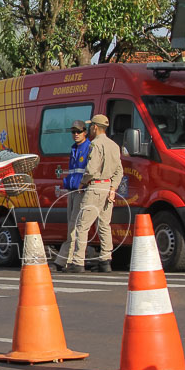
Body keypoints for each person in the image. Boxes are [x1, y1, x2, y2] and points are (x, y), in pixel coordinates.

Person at [66, 114, 124, 274]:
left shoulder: (95, 145)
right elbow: (119, 171)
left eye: (91, 126)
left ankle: (78, 262)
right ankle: (105, 261)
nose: (90, 128)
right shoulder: (114, 145)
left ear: (96, 127)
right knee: (104, 226)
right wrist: (113, 188)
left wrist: (82, 182)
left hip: (95, 187)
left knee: (82, 225)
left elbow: (91, 169)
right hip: (107, 188)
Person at [52, 120, 91, 272]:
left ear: (85, 132)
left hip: (82, 190)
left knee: (75, 226)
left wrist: (83, 185)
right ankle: (68, 259)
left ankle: (65, 260)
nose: (75, 134)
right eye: (73, 132)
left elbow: (89, 170)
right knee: (72, 225)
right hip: (73, 190)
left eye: (78, 131)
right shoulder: (74, 148)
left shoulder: (88, 147)